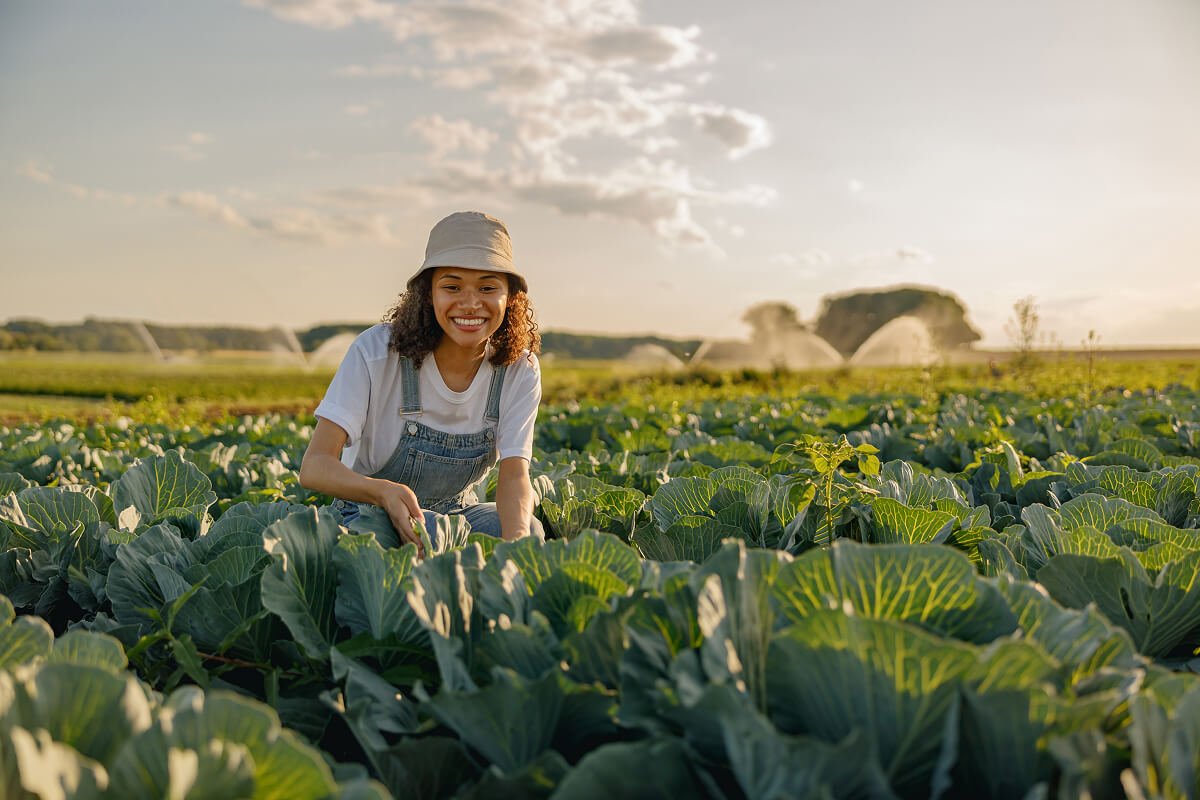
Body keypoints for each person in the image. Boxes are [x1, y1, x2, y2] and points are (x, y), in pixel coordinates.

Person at [299, 211, 544, 555]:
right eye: (452, 286)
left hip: (454, 518)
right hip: (369, 515)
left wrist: (517, 548)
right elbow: (315, 467)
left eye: (488, 287)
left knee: (526, 528)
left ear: (510, 297)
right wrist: (382, 491)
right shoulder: (375, 352)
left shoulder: (519, 369)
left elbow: (515, 475)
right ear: (428, 293)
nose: (471, 303)